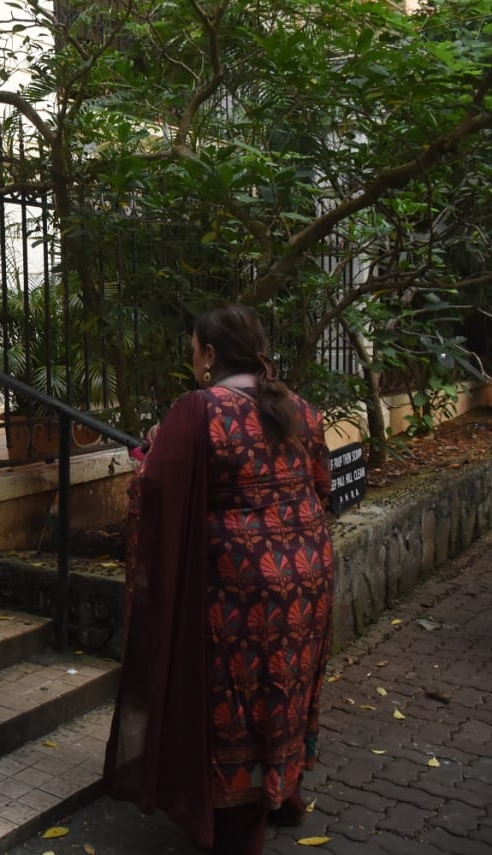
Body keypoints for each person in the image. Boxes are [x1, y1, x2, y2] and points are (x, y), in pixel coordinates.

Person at [103, 303, 335, 855]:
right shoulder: (301, 408)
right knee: (288, 686)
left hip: (239, 585)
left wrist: (148, 458)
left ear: (208, 353)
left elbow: (153, 493)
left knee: (237, 697)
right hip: (310, 572)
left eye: (194, 348)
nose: (192, 357)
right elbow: (322, 487)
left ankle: (236, 825)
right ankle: (284, 792)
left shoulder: (199, 411)